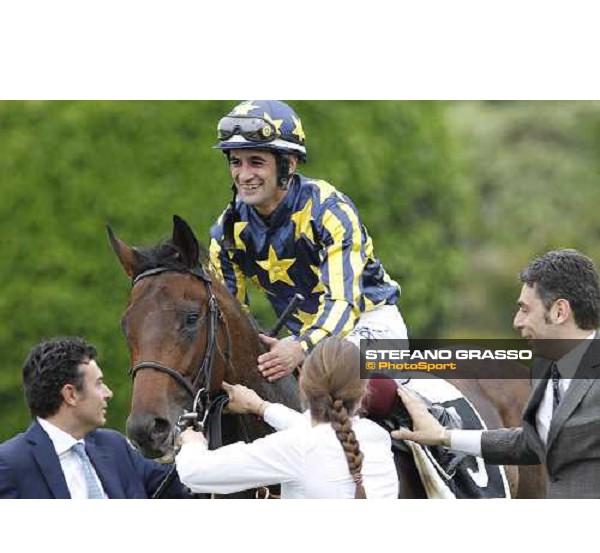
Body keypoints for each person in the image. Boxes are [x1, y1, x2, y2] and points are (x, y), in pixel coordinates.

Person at [209, 100, 407, 383]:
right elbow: (233, 321)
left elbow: (344, 303)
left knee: (337, 371)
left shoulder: (329, 211)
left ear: (287, 164)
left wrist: (300, 348)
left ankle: (432, 415)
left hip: (370, 325)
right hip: (302, 339)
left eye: (256, 162)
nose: (244, 174)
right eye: (235, 162)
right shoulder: (226, 232)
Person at [392, 249, 600, 499]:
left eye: (525, 309)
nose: (517, 322)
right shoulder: (545, 368)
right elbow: (531, 444)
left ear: (559, 311)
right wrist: (444, 437)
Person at [175, 336, 399, 498]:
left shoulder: (296, 448)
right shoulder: (377, 436)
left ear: (301, 381)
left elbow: (194, 473)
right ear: (362, 394)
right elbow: (320, 436)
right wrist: (261, 407)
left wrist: (191, 442)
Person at [0, 337, 190, 499]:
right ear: (70, 395)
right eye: (99, 384)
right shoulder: (10, 464)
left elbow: (186, 487)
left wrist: (198, 441)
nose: (108, 393)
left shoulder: (115, 446)